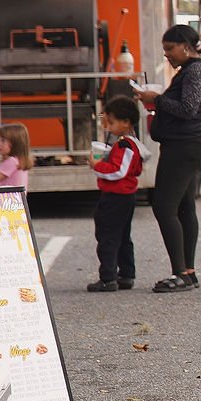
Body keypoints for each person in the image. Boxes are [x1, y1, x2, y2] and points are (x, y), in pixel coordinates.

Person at [138, 24, 201, 293]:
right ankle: (188, 272)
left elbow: (187, 108)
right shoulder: (194, 70)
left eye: (170, 49)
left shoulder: (195, 70)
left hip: (185, 145)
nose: (167, 55)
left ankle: (180, 273)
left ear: (185, 46)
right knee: (184, 206)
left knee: (164, 206)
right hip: (189, 144)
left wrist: (156, 99)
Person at [86, 96, 145, 292]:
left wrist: (98, 166)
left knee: (107, 236)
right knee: (122, 236)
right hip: (125, 196)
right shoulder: (129, 144)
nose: (108, 127)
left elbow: (119, 170)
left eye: (111, 122)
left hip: (116, 196)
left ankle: (108, 277)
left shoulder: (125, 145)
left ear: (126, 122)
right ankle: (126, 274)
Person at [0, 122, 31, 190]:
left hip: (9, 200)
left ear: (15, 143)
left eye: (3, 141)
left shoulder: (11, 162)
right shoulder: (18, 161)